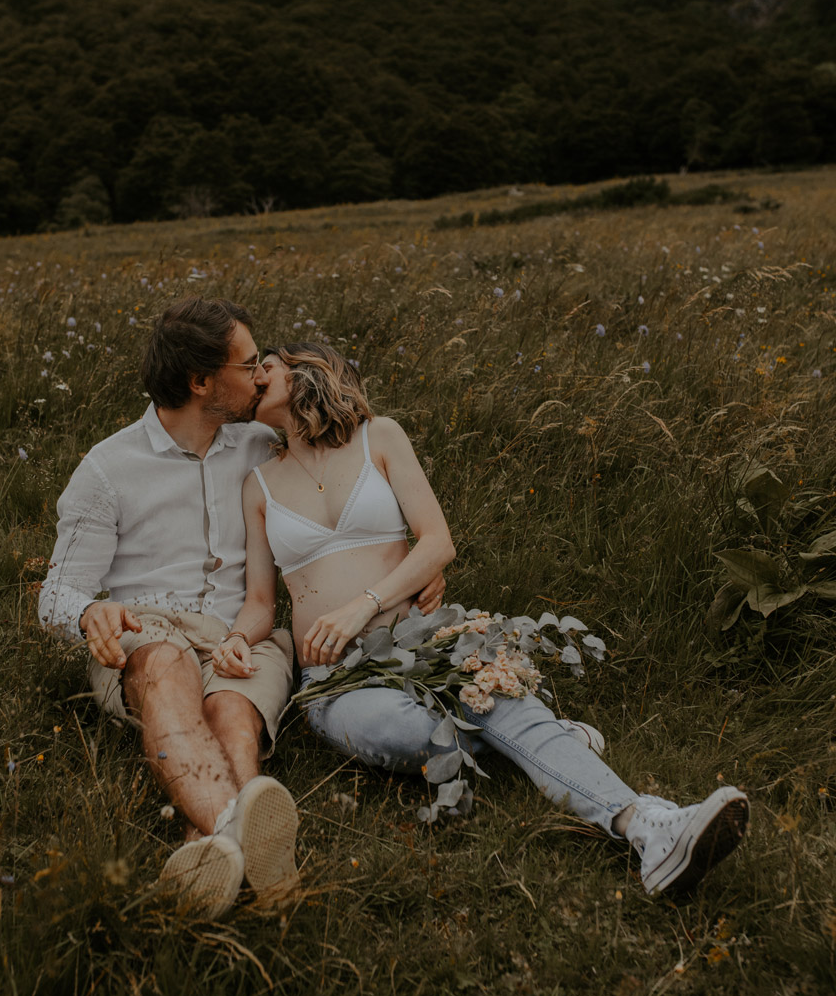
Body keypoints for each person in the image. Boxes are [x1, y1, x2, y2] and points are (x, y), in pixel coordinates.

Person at [215, 343, 750, 897]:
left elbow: (437, 542)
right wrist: (235, 638)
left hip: (422, 641)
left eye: (266, 366)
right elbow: (260, 601)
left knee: (483, 699)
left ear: (306, 368)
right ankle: (542, 736)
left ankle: (647, 826)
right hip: (336, 677)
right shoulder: (259, 484)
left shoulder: (381, 437)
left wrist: (363, 605)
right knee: (409, 733)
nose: (254, 379)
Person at [39, 299, 444, 920]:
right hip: (146, 632)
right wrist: (89, 611)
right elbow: (55, 595)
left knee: (232, 708)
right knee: (168, 662)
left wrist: (416, 569)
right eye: (250, 365)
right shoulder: (107, 469)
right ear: (201, 382)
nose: (262, 376)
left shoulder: (263, 445)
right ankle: (247, 836)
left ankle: (213, 849)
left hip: (242, 635)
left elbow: (349, 494)